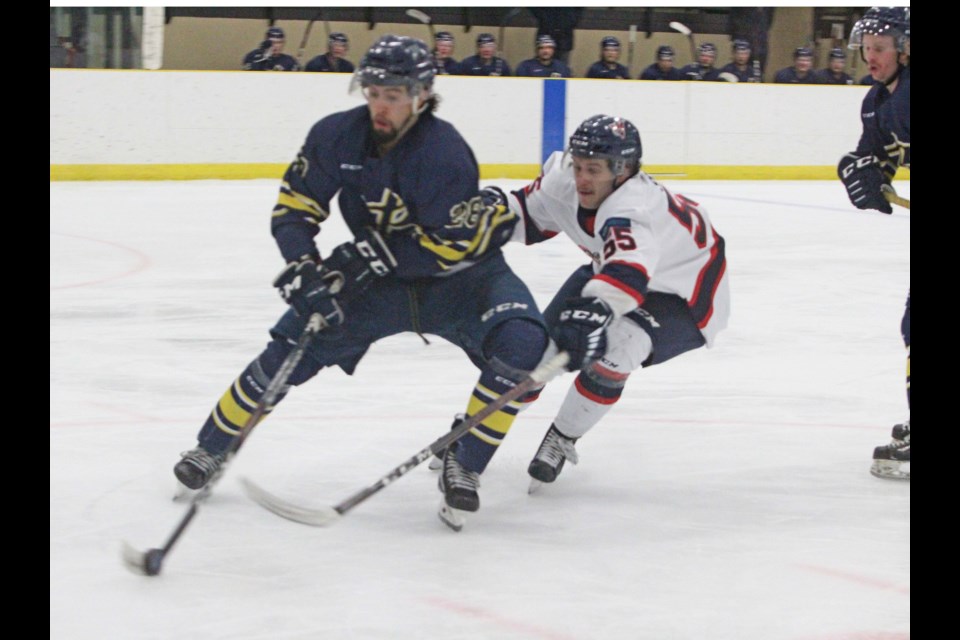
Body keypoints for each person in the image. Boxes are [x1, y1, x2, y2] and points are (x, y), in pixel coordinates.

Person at [173, 35, 550, 531]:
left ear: (420, 95)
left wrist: (375, 253)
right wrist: (304, 266)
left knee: (525, 346)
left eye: (392, 95)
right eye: (373, 92)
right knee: (291, 346)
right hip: (379, 283)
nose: (379, 105)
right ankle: (210, 449)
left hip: (462, 280)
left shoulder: (445, 153)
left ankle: (467, 458)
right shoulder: (336, 136)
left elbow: (451, 244)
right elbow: (296, 207)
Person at [489, 114, 730, 490]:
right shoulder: (565, 180)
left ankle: (563, 436)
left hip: (684, 290)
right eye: (579, 165)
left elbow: (629, 273)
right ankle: (483, 430)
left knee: (617, 350)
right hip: (614, 267)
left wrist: (593, 312)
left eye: (594, 170)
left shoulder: (635, 209)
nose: (582, 179)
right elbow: (528, 215)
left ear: (623, 171)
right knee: (536, 350)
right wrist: (486, 212)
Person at [835, 7, 910, 480]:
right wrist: (860, 173)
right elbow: (873, 156)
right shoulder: (876, 102)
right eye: (866, 49)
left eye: (880, 48)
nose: (870, 58)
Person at [728, 7, 774, 77]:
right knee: (739, 71)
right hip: (743, 37)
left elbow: (768, 21)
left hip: (760, 42)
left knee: (758, 74)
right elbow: (733, 18)